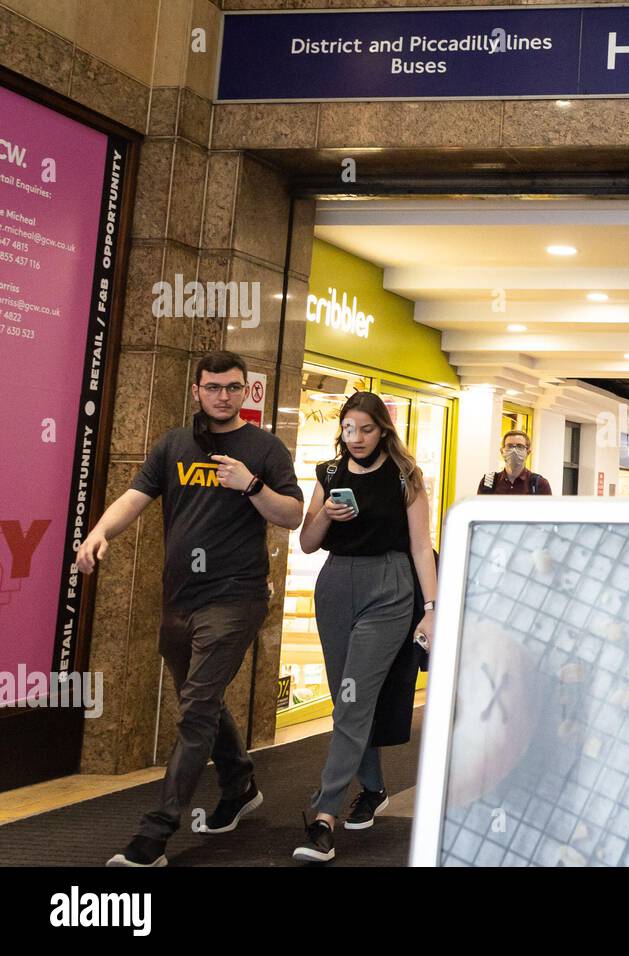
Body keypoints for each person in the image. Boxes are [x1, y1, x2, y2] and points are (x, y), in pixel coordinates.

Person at [77, 351, 304, 867]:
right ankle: (240, 783)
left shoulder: (264, 449)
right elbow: (135, 496)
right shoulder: (175, 444)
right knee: (201, 700)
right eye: (214, 387)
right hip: (179, 599)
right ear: (197, 390)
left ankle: (154, 835)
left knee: (196, 707)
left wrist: (250, 484)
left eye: (233, 387)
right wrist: (98, 532)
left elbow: (291, 515)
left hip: (236, 597)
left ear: (246, 392)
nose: (223, 395)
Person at [292, 392, 439, 863]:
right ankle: (373, 786)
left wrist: (432, 607)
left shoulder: (405, 477)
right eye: (349, 429)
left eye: (366, 429)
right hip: (335, 585)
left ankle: (324, 815)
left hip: (389, 589)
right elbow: (308, 543)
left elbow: (421, 547)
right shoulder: (329, 474)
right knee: (347, 698)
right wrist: (323, 517)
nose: (356, 439)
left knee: (353, 703)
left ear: (383, 430)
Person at [477, 429, 552, 495]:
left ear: (528, 453)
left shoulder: (540, 484)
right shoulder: (488, 483)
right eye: (509, 446)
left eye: (520, 446)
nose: (514, 450)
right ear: (502, 452)